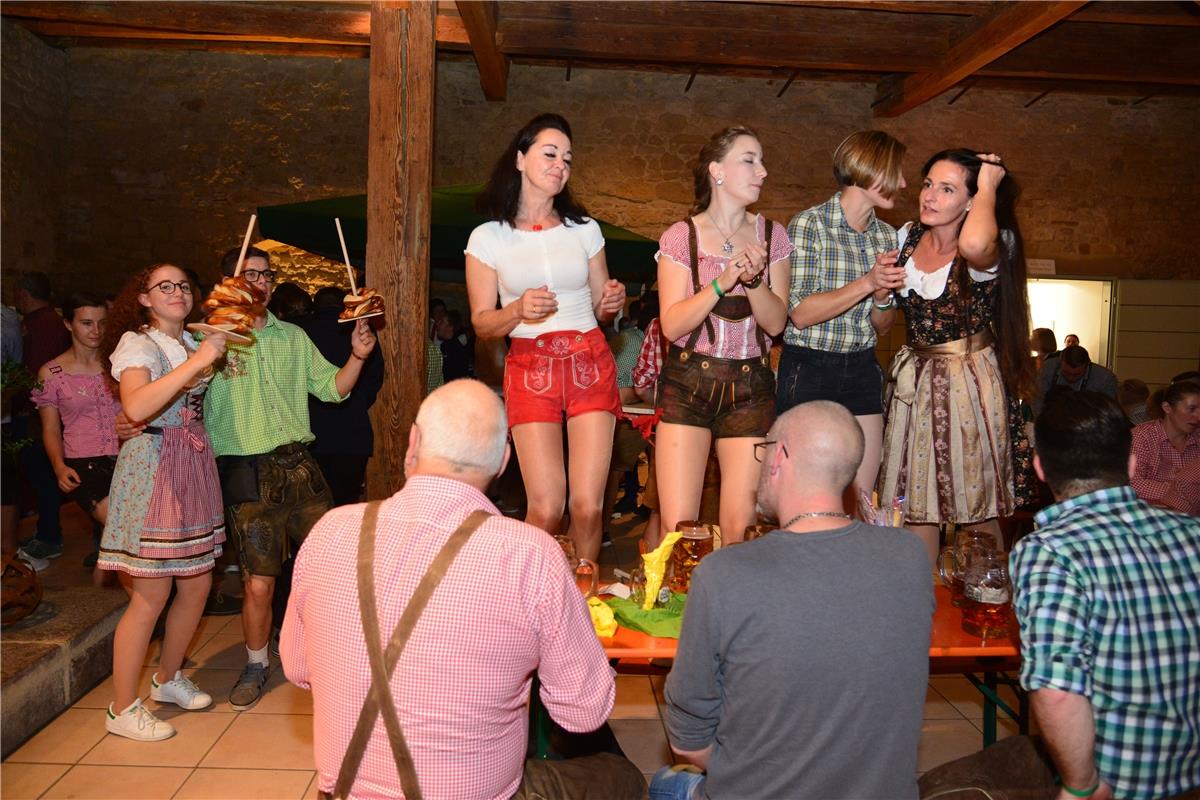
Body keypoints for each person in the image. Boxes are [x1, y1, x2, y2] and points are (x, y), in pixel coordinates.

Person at [281, 379, 644, 800]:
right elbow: (583, 711)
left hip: (343, 794)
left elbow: (298, 668)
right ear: (504, 460)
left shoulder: (330, 531)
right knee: (623, 777)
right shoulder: (529, 553)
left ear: (413, 442)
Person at [652, 401, 932, 799]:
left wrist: (752, 774)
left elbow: (688, 742)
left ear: (779, 456)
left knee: (664, 783)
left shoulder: (723, 573)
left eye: (765, 449)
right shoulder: (910, 557)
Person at [203, 245, 377, 712]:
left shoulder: (292, 336)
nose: (258, 281)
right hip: (247, 471)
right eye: (248, 273)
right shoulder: (213, 338)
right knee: (260, 581)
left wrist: (358, 356)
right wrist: (211, 343)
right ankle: (257, 664)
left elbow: (331, 390)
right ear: (228, 281)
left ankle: (340, 653)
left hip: (301, 465)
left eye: (265, 274)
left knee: (333, 564)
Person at [1010, 391, 1200, 798]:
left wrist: (1081, 787)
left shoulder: (1050, 550)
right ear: (1132, 463)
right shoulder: (1192, 534)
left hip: (1119, 782)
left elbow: (1057, 690)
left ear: (1040, 468)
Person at [465, 112, 625, 563]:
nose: (560, 164)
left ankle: (586, 605)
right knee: (547, 507)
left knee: (588, 507)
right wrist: (516, 310)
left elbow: (601, 305)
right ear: (520, 159)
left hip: (589, 360)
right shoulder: (488, 238)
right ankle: (531, 602)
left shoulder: (585, 230)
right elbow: (481, 322)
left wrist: (612, 302)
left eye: (567, 159)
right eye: (550, 153)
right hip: (530, 367)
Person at [877, 150, 1036, 562]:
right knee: (916, 505)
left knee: (975, 506)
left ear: (972, 200)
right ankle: (919, 610)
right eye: (928, 184)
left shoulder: (993, 244)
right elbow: (882, 327)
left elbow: (973, 242)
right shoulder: (906, 237)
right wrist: (879, 295)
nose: (929, 196)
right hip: (914, 379)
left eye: (946, 189)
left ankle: (985, 598)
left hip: (969, 383)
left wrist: (987, 184)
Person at [97, 264, 229, 741]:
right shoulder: (139, 344)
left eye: (183, 286)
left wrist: (210, 352)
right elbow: (134, 408)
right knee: (150, 596)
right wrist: (200, 363)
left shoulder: (194, 343)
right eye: (164, 286)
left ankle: (168, 677)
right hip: (153, 470)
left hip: (191, 463)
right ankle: (121, 708)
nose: (177, 292)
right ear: (145, 298)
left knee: (197, 585)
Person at [655, 126, 793, 545]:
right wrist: (720, 282)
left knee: (741, 530)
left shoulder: (774, 236)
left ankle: (732, 610)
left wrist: (753, 283)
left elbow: (776, 324)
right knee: (679, 531)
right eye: (750, 160)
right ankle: (681, 609)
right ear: (717, 170)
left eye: (762, 160)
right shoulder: (682, 236)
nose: (762, 171)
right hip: (688, 381)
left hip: (751, 384)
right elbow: (672, 325)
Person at [778, 130, 907, 503]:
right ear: (867, 171)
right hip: (809, 368)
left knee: (864, 498)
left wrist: (882, 297)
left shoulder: (887, 237)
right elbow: (799, 314)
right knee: (804, 491)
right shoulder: (809, 225)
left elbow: (882, 327)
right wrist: (868, 282)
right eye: (895, 172)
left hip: (863, 367)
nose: (902, 182)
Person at [30, 292, 121, 573]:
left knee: (117, 542)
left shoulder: (119, 363)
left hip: (130, 456)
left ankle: (113, 603)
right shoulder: (52, 372)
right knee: (126, 528)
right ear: (68, 324)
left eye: (102, 323)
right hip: (84, 464)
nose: (96, 331)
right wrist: (58, 466)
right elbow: (50, 427)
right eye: (86, 323)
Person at [294, 286, 385, 506]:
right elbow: (376, 374)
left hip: (314, 434)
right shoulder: (361, 329)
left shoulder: (299, 330)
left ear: (315, 305)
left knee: (310, 510)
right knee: (344, 505)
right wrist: (359, 401)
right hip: (352, 433)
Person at [13, 271, 71, 561]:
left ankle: (49, 536)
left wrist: (14, 394)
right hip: (45, 410)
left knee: (43, 476)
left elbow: (36, 375)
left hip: (40, 413)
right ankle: (47, 532)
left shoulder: (43, 326)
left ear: (24, 294)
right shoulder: (48, 322)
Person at [1131, 380, 1200, 515]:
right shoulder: (1142, 436)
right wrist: (1184, 493)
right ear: (1167, 408)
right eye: (1191, 409)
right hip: (1151, 517)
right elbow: (1133, 483)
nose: (1198, 416)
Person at [1032, 344, 1118, 415]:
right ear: (1060, 362)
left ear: (1087, 366)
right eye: (1066, 373)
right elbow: (1038, 399)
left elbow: (1107, 411)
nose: (1071, 378)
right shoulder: (1046, 368)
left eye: (1077, 375)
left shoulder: (1105, 379)